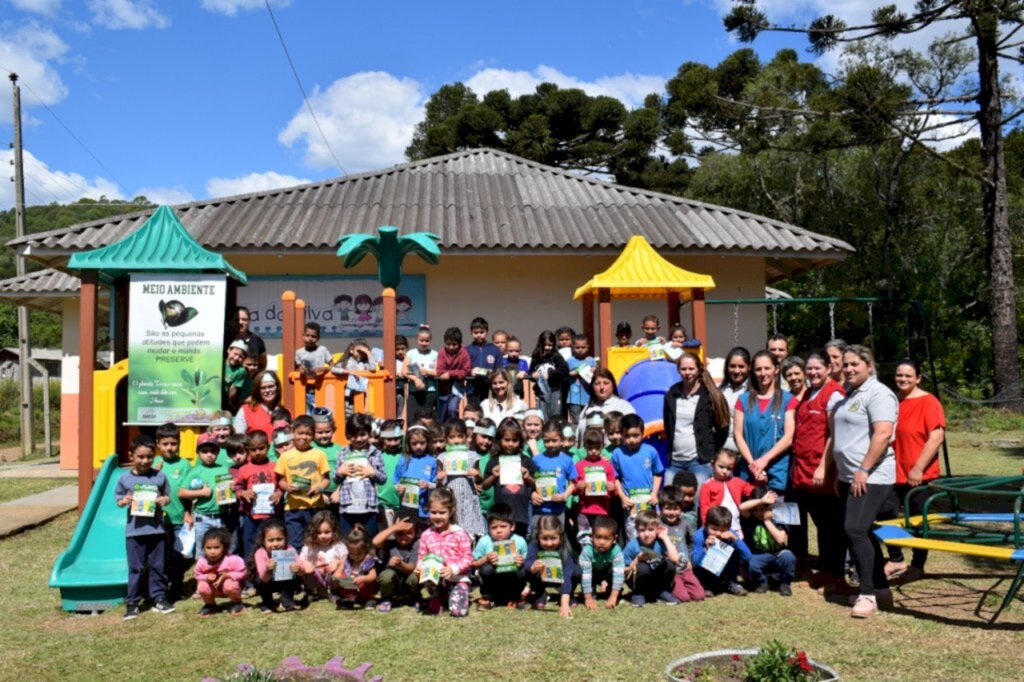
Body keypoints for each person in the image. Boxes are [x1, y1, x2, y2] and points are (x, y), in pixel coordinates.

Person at [815, 344, 898, 619]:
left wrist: (863, 469)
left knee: (855, 529)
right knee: (861, 531)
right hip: (851, 476)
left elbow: (883, 434)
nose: (849, 369)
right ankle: (882, 589)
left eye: (855, 364)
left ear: (869, 365)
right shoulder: (850, 394)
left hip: (873, 476)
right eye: (846, 364)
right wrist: (842, 474)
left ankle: (868, 594)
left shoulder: (878, 393)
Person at [789, 351, 846, 592]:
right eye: (809, 369)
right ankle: (824, 569)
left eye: (817, 368)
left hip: (821, 470)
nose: (812, 373)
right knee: (817, 523)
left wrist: (824, 466)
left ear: (829, 368)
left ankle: (835, 574)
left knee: (830, 525)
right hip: (802, 469)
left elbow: (835, 434)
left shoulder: (833, 394)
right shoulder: (809, 393)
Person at [885, 358, 946, 581]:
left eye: (908, 375)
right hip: (892, 471)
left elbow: (937, 436)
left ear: (918, 378)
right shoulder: (892, 400)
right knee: (885, 514)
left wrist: (918, 467)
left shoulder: (928, 402)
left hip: (917, 474)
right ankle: (895, 557)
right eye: (899, 375)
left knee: (919, 520)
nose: (903, 379)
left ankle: (918, 565)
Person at [116, 435, 174, 620]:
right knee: (136, 568)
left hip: (156, 530)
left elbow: (167, 496)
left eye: (149, 457)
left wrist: (163, 499)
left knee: (158, 566)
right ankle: (133, 602)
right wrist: (124, 500)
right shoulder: (124, 479)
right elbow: (118, 500)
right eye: (140, 457)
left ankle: (159, 598)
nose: (145, 461)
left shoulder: (159, 476)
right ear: (131, 455)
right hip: (135, 531)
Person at [663, 353, 729, 491]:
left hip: (699, 460)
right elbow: (667, 425)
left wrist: (711, 452)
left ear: (699, 369)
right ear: (678, 370)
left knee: (699, 500)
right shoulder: (671, 394)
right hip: (675, 460)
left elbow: (722, 428)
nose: (687, 373)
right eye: (683, 369)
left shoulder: (710, 395)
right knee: (668, 501)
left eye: (691, 369)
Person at [733, 350, 796, 492]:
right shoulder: (743, 400)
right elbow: (738, 435)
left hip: (777, 471)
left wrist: (765, 460)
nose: (763, 373)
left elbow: (788, 437)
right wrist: (753, 465)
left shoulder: (788, 400)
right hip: (749, 472)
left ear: (776, 369)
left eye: (767, 368)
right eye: (758, 369)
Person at [275, 415, 331, 551]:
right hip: (292, 508)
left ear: (313, 436)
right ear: (292, 433)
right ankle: (298, 570)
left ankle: (315, 570)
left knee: (316, 541)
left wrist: (319, 488)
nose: (304, 437)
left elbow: (326, 479)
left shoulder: (319, 454)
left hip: (315, 507)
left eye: (308, 434)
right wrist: (286, 486)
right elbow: (280, 480)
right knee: (295, 542)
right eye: (300, 433)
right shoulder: (285, 456)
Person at [416, 488, 473, 617]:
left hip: (457, 578)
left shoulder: (460, 533)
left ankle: (459, 592)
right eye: (433, 512)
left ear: (451, 511)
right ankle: (437, 596)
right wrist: (420, 567)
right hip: (435, 580)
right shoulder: (426, 535)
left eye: (442, 512)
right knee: (435, 610)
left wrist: (453, 569)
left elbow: (468, 558)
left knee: (458, 612)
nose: (437, 516)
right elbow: (421, 556)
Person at [152, 422, 191, 603]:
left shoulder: (184, 465)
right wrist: (152, 474)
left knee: (177, 554)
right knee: (160, 555)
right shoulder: (152, 463)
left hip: (178, 517)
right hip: (155, 519)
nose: (169, 447)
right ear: (158, 443)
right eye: (165, 444)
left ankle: (177, 587)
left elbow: (189, 492)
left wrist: (188, 512)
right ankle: (160, 589)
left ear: (179, 443)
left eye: (173, 444)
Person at [612, 414, 665, 542]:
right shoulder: (617, 453)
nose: (632, 440)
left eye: (636, 435)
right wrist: (623, 497)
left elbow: (658, 473)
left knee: (651, 532)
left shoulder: (650, 451)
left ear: (642, 433)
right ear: (622, 435)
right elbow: (615, 477)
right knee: (632, 535)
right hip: (630, 505)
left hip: (648, 503)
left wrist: (654, 493)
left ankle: (652, 559)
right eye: (627, 436)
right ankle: (635, 560)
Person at [482, 418, 538, 538]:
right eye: (507, 440)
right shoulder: (494, 461)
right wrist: (494, 476)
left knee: (520, 543)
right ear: (499, 440)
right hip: (501, 515)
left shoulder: (525, 460)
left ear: (520, 441)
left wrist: (527, 477)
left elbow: (537, 484)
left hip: (521, 514)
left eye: (514, 440)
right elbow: (484, 485)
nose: (511, 444)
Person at [179, 433, 233, 557]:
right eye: (205, 451)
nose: (209, 455)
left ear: (218, 452)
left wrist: (232, 491)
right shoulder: (195, 471)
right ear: (198, 453)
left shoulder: (223, 469)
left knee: (220, 547)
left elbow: (229, 492)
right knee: (202, 547)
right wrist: (201, 493)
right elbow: (181, 492)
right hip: (202, 517)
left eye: (213, 451)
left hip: (221, 516)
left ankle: (217, 572)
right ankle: (201, 573)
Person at [334, 413, 387, 537]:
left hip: (368, 506)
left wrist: (373, 473)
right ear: (348, 435)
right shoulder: (342, 453)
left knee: (369, 540)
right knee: (347, 540)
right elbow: (336, 480)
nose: (358, 439)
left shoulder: (375, 453)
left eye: (362, 434)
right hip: (347, 506)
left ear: (369, 433)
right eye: (354, 435)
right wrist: (339, 473)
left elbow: (383, 478)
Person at [232, 430, 280, 564]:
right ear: (248, 450)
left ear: (268, 447)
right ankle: (250, 581)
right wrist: (243, 493)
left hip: (272, 515)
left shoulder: (275, 466)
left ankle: (274, 578)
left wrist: (280, 493)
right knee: (250, 547)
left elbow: (283, 484)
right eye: (253, 449)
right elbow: (236, 487)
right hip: (251, 516)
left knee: (273, 546)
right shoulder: (244, 469)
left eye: (261, 448)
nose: (257, 452)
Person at [741, 487, 797, 596]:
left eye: (762, 509)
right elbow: (741, 507)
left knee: (788, 557)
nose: (758, 513)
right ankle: (762, 582)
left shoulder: (777, 518)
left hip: (778, 554)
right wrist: (762, 501)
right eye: (755, 510)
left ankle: (784, 583)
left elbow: (780, 540)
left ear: (770, 508)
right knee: (750, 563)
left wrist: (767, 521)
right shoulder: (750, 518)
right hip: (759, 555)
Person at [436, 421, 487, 539]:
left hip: (468, 498)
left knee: (468, 534)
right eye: (452, 437)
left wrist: (476, 474)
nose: (456, 440)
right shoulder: (442, 457)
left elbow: (480, 479)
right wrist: (439, 478)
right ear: (446, 438)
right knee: (451, 532)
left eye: (460, 436)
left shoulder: (472, 455)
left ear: (466, 437)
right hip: (449, 498)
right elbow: (438, 484)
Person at [472, 503, 528, 609]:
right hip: (492, 579)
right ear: (488, 527)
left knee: (522, 570)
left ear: (512, 526)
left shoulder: (519, 541)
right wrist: (486, 559)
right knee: (486, 569)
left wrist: (522, 561)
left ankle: (515, 597)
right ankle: (488, 597)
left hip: (511, 578)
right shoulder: (484, 541)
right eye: (494, 527)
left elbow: (528, 563)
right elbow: (473, 564)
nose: (499, 531)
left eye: (503, 526)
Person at [523, 515, 579, 616]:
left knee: (576, 571)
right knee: (526, 570)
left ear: (560, 536)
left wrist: (564, 604)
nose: (549, 543)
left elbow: (567, 575)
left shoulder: (565, 549)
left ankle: (569, 595)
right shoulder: (534, 545)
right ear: (538, 536)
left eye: (553, 538)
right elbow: (527, 562)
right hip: (541, 578)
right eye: (544, 538)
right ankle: (540, 593)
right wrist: (533, 567)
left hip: (562, 578)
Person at [530, 419, 578, 537]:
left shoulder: (567, 460)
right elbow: (530, 482)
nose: (551, 444)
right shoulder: (537, 460)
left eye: (554, 440)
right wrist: (532, 494)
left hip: (558, 510)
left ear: (561, 439)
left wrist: (564, 495)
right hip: (539, 510)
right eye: (547, 441)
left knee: (557, 539)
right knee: (537, 539)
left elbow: (573, 483)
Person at [622, 509, 681, 606]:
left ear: (657, 529)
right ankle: (638, 594)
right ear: (636, 530)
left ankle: (661, 591)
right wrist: (638, 559)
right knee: (642, 568)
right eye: (642, 530)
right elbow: (624, 570)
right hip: (638, 581)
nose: (646, 534)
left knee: (669, 565)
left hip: (656, 580)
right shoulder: (632, 545)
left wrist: (665, 537)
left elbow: (675, 559)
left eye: (651, 530)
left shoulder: (660, 542)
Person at [692, 505, 752, 596]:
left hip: (727, 569)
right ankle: (708, 585)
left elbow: (748, 557)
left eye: (722, 530)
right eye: (714, 529)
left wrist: (736, 540)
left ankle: (732, 583)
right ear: (706, 525)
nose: (718, 533)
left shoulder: (731, 534)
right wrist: (706, 549)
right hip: (706, 571)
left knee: (733, 551)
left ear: (728, 528)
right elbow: (695, 562)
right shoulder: (700, 535)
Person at [698, 449, 759, 538]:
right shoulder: (707, 486)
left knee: (738, 548)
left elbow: (751, 490)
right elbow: (704, 510)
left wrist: (759, 480)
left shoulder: (736, 481)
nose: (725, 471)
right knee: (717, 550)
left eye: (729, 468)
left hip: (735, 526)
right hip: (716, 529)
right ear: (712, 465)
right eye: (721, 467)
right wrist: (706, 528)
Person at [659, 485, 704, 603]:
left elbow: (690, 542)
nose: (672, 512)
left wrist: (689, 558)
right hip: (670, 570)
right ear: (661, 508)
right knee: (684, 598)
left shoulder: (685, 524)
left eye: (676, 509)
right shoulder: (658, 524)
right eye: (668, 508)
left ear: (681, 508)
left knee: (699, 596)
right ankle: (664, 590)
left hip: (685, 567)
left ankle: (682, 585)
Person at [291, 510, 347, 602]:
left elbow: (348, 561)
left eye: (327, 532)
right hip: (315, 581)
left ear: (334, 531)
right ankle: (312, 593)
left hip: (331, 581)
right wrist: (305, 563)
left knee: (340, 570)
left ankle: (334, 592)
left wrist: (338, 562)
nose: (323, 536)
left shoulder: (339, 546)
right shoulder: (309, 547)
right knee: (309, 570)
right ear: (312, 532)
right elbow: (299, 562)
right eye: (318, 532)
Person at [574, 427, 618, 542]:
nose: (593, 451)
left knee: (601, 539)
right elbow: (573, 488)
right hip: (584, 511)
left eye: (596, 448)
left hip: (603, 510)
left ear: (602, 446)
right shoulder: (579, 466)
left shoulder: (607, 466)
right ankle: (585, 559)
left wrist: (612, 488)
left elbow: (614, 490)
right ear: (584, 446)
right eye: (590, 448)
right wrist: (578, 487)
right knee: (584, 540)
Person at [248, 518, 299, 613]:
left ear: (285, 538)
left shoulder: (290, 549)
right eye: (271, 540)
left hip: (284, 580)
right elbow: (263, 578)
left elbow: (301, 566)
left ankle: (287, 601)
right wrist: (267, 569)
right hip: (267, 582)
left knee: (295, 576)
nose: (275, 544)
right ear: (263, 541)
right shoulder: (260, 553)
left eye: (279, 539)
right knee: (259, 580)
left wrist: (298, 568)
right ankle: (267, 602)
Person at [194, 526, 247, 617]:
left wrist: (228, 575)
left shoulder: (233, 560)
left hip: (231, 588)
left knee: (229, 584)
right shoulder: (202, 562)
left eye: (216, 547)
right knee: (202, 585)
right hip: (213, 588)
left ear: (225, 548)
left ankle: (236, 603)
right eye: (209, 548)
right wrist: (206, 577)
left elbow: (243, 572)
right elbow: (197, 575)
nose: (212, 552)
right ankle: (210, 605)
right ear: (204, 548)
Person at [394, 421, 439, 527]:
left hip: (424, 509)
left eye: (422, 443)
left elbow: (436, 484)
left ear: (428, 442)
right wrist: (398, 487)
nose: (418, 447)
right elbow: (395, 480)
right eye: (414, 443)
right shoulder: (403, 460)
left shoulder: (432, 461)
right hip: (406, 507)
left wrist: (429, 485)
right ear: (408, 443)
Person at [372, 516, 421, 612]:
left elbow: (412, 567)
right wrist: (394, 527)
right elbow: (375, 542)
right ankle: (387, 599)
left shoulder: (416, 544)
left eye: (409, 533)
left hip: (408, 580)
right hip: (393, 581)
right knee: (386, 575)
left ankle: (413, 597)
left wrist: (400, 564)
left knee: (415, 575)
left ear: (415, 533)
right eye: (400, 533)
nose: (404, 537)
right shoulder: (390, 542)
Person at [577, 368, 636, 441]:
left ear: (613, 385)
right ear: (592, 387)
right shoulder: (587, 409)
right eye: (597, 384)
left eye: (606, 383)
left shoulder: (624, 407)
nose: (602, 387)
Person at [580, 515, 624, 610]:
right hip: (592, 574)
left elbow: (619, 574)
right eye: (598, 537)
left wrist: (613, 596)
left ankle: (612, 590)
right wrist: (588, 597)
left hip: (607, 573)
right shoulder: (587, 551)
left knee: (614, 572)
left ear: (614, 539)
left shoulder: (616, 551)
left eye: (606, 538)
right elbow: (586, 574)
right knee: (585, 576)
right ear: (591, 536)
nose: (601, 542)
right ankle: (591, 590)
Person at [334, 524, 379, 608]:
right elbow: (338, 573)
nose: (355, 557)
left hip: (364, 588)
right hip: (352, 588)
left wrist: (362, 578)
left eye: (358, 554)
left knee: (367, 586)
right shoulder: (347, 559)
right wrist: (337, 579)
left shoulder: (368, 560)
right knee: (343, 576)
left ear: (366, 549)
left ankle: (369, 600)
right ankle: (349, 599)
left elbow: (373, 576)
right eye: (352, 554)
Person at [234, 371, 289, 436]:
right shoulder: (245, 411)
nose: (267, 390)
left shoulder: (286, 412)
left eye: (271, 386)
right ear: (257, 390)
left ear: (277, 387)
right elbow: (238, 441)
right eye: (263, 388)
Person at [530, 330, 569, 419]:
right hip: (541, 391)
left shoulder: (556, 355)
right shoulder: (536, 355)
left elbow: (564, 370)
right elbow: (531, 370)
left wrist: (551, 373)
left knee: (555, 413)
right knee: (542, 414)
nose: (547, 347)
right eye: (545, 345)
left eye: (550, 345)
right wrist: (533, 374)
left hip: (554, 390)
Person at [294, 322, 332, 414]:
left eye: (313, 336)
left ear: (318, 338)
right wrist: (301, 370)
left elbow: (333, 366)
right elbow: (297, 369)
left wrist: (324, 369)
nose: (310, 339)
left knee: (321, 415)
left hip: (321, 388)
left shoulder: (323, 350)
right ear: (303, 336)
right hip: (305, 391)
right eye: (307, 335)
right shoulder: (299, 353)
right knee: (308, 415)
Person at [718, 347, 751, 453]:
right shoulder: (719, 390)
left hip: (745, 451)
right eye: (732, 366)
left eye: (741, 366)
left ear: (749, 367)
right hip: (721, 450)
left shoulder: (754, 391)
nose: (737, 371)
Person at [404, 324, 438, 422]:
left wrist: (428, 372)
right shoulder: (410, 353)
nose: (424, 343)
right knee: (412, 419)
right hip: (414, 392)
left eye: (427, 341)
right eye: (421, 340)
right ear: (416, 339)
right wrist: (415, 379)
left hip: (430, 392)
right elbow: (404, 371)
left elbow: (438, 371)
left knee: (427, 420)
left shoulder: (435, 354)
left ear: (430, 340)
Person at [436, 326, 471, 423]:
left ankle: (454, 429)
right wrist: (455, 372)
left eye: (454, 344)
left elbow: (466, 370)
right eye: (448, 344)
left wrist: (450, 374)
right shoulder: (442, 352)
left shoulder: (464, 353)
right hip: (443, 388)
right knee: (441, 414)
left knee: (452, 409)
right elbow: (439, 370)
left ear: (460, 344)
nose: (451, 347)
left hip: (458, 388)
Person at [376, 419, 405, 529]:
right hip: (383, 505)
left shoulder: (405, 455)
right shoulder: (378, 456)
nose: (393, 443)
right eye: (389, 440)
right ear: (382, 439)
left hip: (402, 504)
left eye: (396, 439)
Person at [334, 339, 373, 418]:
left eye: (363, 352)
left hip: (360, 392)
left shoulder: (364, 363)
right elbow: (333, 369)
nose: (361, 354)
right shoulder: (346, 362)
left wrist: (369, 354)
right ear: (351, 350)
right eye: (359, 351)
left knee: (359, 413)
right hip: (348, 394)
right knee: (348, 415)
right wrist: (347, 372)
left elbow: (373, 368)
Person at [466, 317, 502, 402]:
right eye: (476, 332)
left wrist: (493, 374)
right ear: (471, 332)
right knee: (475, 413)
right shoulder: (467, 350)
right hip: (472, 389)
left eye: (481, 332)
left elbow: (500, 368)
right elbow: (463, 368)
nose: (479, 335)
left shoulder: (494, 349)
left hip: (490, 388)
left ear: (487, 332)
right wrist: (470, 371)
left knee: (489, 413)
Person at [565, 334, 597, 425]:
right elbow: (566, 374)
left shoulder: (591, 360)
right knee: (576, 420)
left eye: (583, 347)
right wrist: (575, 372)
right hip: (574, 397)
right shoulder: (569, 361)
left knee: (588, 419)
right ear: (573, 347)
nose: (580, 349)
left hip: (588, 396)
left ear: (587, 347)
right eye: (577, 347)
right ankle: (576, 437)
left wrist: (594, 370)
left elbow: (596, 375)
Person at [231, 306, 267, 370]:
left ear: (248, 321)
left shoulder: (257, 340)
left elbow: (262, 364)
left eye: (244, 319)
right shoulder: (226, 340)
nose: (240, 322)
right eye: (237, 319)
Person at [223, 339, 250, 412]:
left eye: (241, 357)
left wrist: (232, 406)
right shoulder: (219, 361)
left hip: (226, 403)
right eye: (235, 354)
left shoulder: (241, 371)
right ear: (229, 350)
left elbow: (232, 393)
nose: (236, 358)